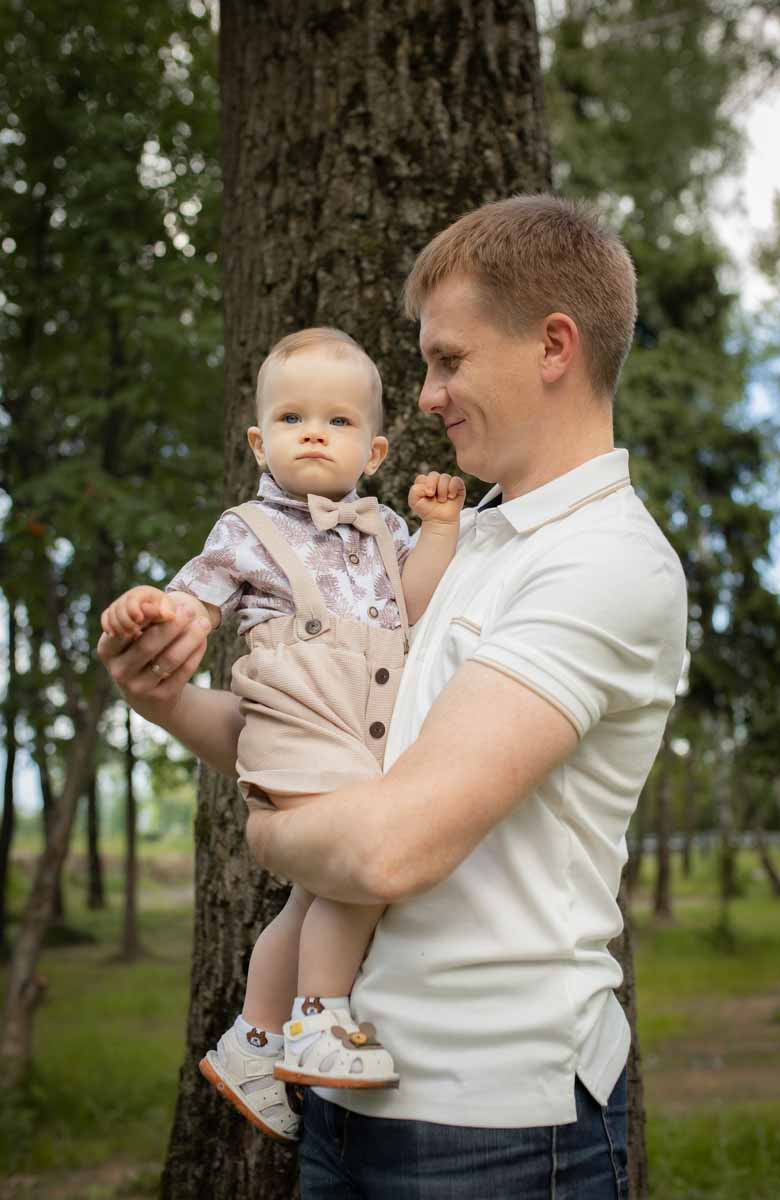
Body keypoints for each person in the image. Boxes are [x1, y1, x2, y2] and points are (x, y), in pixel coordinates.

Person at [98, 194, 688, 1198]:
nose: (423, 396)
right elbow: (332, 747)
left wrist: (270, 833)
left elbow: (384, 847)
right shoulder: (451, 550)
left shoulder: (603, 564)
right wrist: (162, 699)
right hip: (345, 1094)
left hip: (488, 1127)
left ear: (554, 345)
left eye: (447, 361)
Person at [99, 327, 465, 1142]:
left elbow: (415, 604)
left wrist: (437, 532)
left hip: (364, 731)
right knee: (360, 874)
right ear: (261, 439)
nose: (313, 432)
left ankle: (253, 1041)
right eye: (293, 416)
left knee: (312, 897)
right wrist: (154, 613)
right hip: (296, 724)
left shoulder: (381, 533)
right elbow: (195, 601)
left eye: (337, 422)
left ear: (372, 451)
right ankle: (320, 1018)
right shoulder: (245, 530)